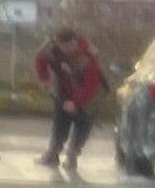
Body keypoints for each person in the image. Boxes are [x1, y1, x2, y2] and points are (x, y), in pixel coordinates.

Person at [30, 23, 105, 175]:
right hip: (65, 89)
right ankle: (53, 153)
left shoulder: (86, 56)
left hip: (89, 95)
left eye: (69, 47)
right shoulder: (52, 49)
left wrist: (76, 102)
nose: (66, 51)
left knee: (83, 124)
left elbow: (91, 84)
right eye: (62, 47)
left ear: (74, 42)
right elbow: (40, 59)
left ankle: (73, 155)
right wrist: (43, 78)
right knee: (60, 121)